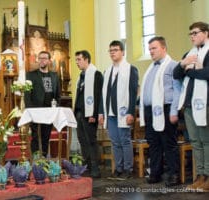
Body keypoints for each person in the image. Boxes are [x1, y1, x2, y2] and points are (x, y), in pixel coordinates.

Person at [139, 36, 181, 186]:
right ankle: (156, 173)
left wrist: (174, 111)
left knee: (168, 143)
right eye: (149, 49)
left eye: (154, 48)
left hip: (166, 109)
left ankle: (173, 174)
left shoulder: (173, 65)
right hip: (151, 111)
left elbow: (177, 90)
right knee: (154, 143)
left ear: (163, 48)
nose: (151, 51)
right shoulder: (151, 68)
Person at [173, 21, 209, 191]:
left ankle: (208, 176)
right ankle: (200, 176)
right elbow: (175, 74)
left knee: (206, 141)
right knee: (195, 141)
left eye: (196, 33)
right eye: (191, 34)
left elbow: (207, 73)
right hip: (188, 105)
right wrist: (182, 64)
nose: (192, 36)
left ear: (206, 33)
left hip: (205, 104)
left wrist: (189, 71)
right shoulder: (190, 53)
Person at [101, 40, 139, 179]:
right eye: (110, 50)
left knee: (124, 141)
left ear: (123, 52)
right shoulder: (107, 71)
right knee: (115, 142)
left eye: (115, 50)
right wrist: (101, 112)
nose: (112, 53)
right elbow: (103, 94)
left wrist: (130, 112)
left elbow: (133, 92)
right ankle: (118, 168)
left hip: (123, 112)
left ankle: (128, 169)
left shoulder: (131, 69)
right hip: (110, 112)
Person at [24, 51, 61, 157]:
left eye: (44, 58)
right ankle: (35, 159)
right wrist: (29, 110)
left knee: (46, 136)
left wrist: (56, 107)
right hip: (36, 110)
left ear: (49, 60)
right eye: (40, 58)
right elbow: (27, 94)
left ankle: (44, 158)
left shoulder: (54, 76)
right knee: (36, 136)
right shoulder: (31, 75)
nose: (42, 60)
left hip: (49, 111)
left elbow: (58, 94)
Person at [74, 50, 103, 178]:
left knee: (91, 140)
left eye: (79, 59)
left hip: (90, 114)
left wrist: (94, 114)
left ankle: (95, 168)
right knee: (82, 140)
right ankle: (87, 166)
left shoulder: (96, 74)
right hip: (80, 113)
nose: (77, 62)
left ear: (86, 59)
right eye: (76, 60)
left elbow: (98, 96)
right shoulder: (81, 76)